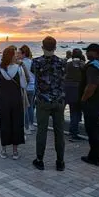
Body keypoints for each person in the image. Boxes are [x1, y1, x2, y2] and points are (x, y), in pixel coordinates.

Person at [31, 37, 66, 171]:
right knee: (59, 132)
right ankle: (60, 162)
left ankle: (40, 160)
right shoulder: (63, 62)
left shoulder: (36, 62)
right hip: (58, 101)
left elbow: (34, 77)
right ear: (55, 47)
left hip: (43, 101)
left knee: (42, 131)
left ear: (42, 47)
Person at [0, 46, 27, 159]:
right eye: (15, 54)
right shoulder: (19, 68)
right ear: (11, 56)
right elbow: (24, 85)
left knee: (5, 123)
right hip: (16, 100)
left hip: (4, 100)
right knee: (17, 123)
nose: (16, 56)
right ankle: (15, 152)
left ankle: (3, 150)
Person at [65, 49, 86, 141]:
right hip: (78, 88)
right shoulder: (83, 65)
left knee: (72, 110)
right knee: (76, 111)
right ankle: (74, 133)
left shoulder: (68, 64)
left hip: (67, 87)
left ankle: (71, 130)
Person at [18, 45, 35, 133]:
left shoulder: (20, 63)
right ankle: (32, 124)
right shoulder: (32, 62)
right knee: (31, 106)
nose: (17, 54)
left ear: (24, 54)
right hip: (32, 87)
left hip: (25, 87)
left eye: (19, 53)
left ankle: (26, 127)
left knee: (24, 108)